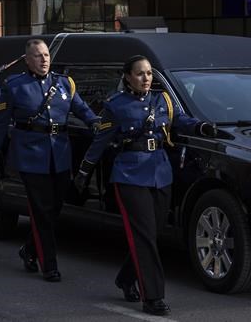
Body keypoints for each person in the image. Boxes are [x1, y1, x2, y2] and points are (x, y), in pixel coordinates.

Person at [74, 55, 216, 316]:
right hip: (130, 175)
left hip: (160, 173)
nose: (146, 78)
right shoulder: (115, 105)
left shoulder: (162, 100)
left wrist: (201, 127)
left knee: (153, 234)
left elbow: (179, 121)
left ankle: (126, 278)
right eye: (140, 74)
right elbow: (100, 141)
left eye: (149, 73)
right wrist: (84, 170)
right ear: (127, 77)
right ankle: (153, 297)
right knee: (143, 236)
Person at [0, 38, 99, 282]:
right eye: (38, 56)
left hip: (59, 153)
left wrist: (97, 123)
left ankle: (29, 249)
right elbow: (1, 121)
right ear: (27, 60)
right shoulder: (14, 85)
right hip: (30, 155)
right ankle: (49, 264)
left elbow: (82, 109)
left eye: (46, 55)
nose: (44, 59)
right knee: (41, 210)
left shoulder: (64, 83)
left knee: (55, 207)